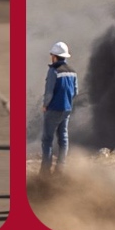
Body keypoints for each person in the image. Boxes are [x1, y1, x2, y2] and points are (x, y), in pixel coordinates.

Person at [41, 41, 78, 176]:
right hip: (67, 109)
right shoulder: (72, 72)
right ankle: (60, 169)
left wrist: (45, 105)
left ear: (55, 56)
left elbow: (49, 92)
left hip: (53, 109)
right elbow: (75, 92)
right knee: (63, 138)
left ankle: (45, 172)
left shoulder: (53, 71)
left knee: (47, 140)